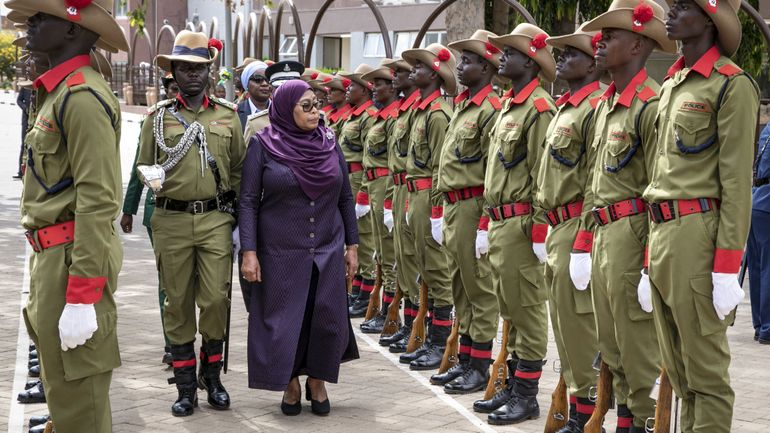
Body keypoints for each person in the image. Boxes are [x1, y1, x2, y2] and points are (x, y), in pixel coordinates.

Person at [5, 0, 129, 430]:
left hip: (72, 260)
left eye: (43, 17)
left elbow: (99, 200)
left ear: (75, 32)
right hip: (52, 257)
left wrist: (83, 294)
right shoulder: (59, 91)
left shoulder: (81, 96)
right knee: (62, 392)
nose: (31, 23)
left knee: (81, 405)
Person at [643, 0, 759, 431]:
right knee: (680, 375)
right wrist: (646, 257)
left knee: (706, 377)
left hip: (698, 236)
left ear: (710, 21)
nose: (671, 13)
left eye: (684, 7)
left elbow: (736, 185)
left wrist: (728, 266)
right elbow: (658, 174)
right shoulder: (672, 84)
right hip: (662, 236)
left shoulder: (731, 85)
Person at [137, 30, 246, 417]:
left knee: (216, 299)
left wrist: (239, 223)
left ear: (209, 71)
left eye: (199, 68)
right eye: (184, 68)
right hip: (171, 218)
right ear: (175, 73)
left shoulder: (228, 116)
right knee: (177, 301)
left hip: (216, 217)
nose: (193, 75)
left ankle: (212, 376)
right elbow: (143, 166)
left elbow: (238, 170)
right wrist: (151, 181)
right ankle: (186, 388)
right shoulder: (158, 117)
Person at [239, 80, 360, 416]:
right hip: (279, 249)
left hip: (327, 245)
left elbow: (345, 197)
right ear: (285, 108)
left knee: (324, 316)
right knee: (283, 319)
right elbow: (248, 201)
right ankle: (290, 380)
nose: (315, 111)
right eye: (305, 106)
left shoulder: (329, 143)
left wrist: (353, 245)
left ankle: (317, 380)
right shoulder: (263, 145)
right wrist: (249, 251)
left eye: (316, 104)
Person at [582, 2, 675, 431]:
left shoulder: (650, 105)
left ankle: (638, 424)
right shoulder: (606, 106)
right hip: (602, 235)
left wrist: (648, 264)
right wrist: (583, 244)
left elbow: (660, 188)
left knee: (637, 351)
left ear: (637, 43)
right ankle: (622, 421)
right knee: (612, 347)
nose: (598, 45)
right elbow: (592, 184)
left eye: (609, 37)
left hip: (632, 235)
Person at [479, 24, 555, 425]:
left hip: (523, 224)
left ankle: (527, 393)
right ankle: (511, 383)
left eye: (509, 52)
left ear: (531, 60)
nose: (501, 57)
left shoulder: (540, 109)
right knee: (509, 307)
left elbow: (545, 174)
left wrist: (540, 230)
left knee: (527, 309)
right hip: (500, 222)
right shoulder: (511, 105)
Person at [532, 25, 605, 433]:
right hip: (557, 226)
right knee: (563, 329)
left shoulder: (595, 107)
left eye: (570, 54)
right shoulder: (567, 106)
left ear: (593, 60)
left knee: (581, 332)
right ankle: (578, 413)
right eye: (558, 55)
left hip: (579, 226)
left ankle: (587, 418)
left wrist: (583, 240)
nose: (560, 61)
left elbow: (597, 181)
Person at [433, 29, 502, 391]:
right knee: (461, 287)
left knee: (480, 289)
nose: (460, 66)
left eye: (469, 61)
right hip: (454, 205)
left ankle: (480, 365)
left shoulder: (491, 110)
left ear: (488, 69)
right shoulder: (463, 105)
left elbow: (494, 169)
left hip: (475, 205)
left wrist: (486, 221)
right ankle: (467, 358)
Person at [399, 43, 456, 370]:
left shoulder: (437, 115)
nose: (412, 72)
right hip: (413, 196)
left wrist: (436, 211)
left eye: (420, 66)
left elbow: (439, 168)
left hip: (428, 198)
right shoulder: (421, 111)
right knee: (423, 267)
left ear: (434, 73)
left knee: (436, 270)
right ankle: (430, 338)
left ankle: (440, 341)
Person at [120, 74, 181, 366]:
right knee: (168, 281)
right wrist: (129, 208)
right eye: (172, 89)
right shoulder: (154, 122)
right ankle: (173, 343)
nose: (177, 93)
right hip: (160, 212)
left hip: (200, 213)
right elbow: (138, 167)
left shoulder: (209, 120)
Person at [379, 57, 422, 351]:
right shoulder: (409, 112)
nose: (395, 77)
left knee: (426, 267)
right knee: (402, 259)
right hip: (400, 189)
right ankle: (409, 326)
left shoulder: (432, 113)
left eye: (402, 72)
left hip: (419, 193)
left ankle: (426, 334)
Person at [358, 61, 401, 334]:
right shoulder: (380, 116)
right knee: (380, 254)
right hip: (374, 183)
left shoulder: (394, 117)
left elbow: (394, 161)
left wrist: (387, 200)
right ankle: (385, 310)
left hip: (386, 184)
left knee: (389, 253)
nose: (375, 89)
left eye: (381, 84)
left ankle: (392, 313)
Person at [338, 64, 380, 317]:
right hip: (348, 178)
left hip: (359, 180)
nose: (347, 90)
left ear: (365, 90)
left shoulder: (369, 116)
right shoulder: (355, 115)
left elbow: (369, 157)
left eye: (352, 85)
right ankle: (358, 293)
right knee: (355, 237)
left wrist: (363, 192)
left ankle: (365, 296)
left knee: (363, 239)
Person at [243, 60, 304, 141]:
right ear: (272, 91)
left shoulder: (311, 117)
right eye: (258, 79)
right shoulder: (255, 123)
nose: (264, 84)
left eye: (293, 88)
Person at [749, 123, 770, 345]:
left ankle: (759, 325)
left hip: (756, 201)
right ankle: (767, 327)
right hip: (767, 202)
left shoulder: (768, 129)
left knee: (757, 268)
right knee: (767, 268)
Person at [238, 60, 271, 131]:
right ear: (246, 84)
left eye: (267, 80)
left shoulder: (281, 110)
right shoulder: (236, 113)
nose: (265, 84)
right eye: (258, 80)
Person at [16, 82, 32, 179]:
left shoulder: (39, 85)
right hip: (26, 120)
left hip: (37, 119)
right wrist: (25, 108)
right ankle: (20, 171)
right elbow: (19, 100)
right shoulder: (25, 87)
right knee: (24, 144)